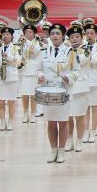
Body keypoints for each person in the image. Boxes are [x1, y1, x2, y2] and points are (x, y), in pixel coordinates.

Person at [38, 23, 74, 163]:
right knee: (51, 122)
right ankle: (53, 151)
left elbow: (76, 70)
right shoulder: (44, 51)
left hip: (63, 90)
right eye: (52, 33)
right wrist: (40, 76)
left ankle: (62, 151)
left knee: (63, 122)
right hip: (48, 90)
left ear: (63, 35)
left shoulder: (70, 51)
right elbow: (38, 69)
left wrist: (68, 77)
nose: (54, 36)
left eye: (57, 33)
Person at [18, 24, 42, 123]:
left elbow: (35, 51)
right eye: (26, 32)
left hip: (33, 72)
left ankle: (33, 113)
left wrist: (26, 41)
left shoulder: (38, 42)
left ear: (34, 33)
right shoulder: (22, 43)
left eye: (30, 32)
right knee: (24, 94)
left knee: (33, 94)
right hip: (23, 71)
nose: (28, 34)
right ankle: (25, 113)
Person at [0, 26, 21, 131]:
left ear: (12, 36)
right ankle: (2, 122)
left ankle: (11, 121)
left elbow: (19, 62)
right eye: (3, 34)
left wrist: (8, 57)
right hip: (0, 77)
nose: (5, 36)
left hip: (11, 77)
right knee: (0, 101)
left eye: (7, 34)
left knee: (11, 101)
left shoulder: (16, 47)